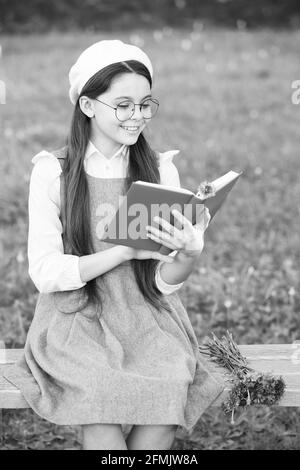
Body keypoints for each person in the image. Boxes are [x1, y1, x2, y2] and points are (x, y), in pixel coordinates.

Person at [4, 39, 225, 450]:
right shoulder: (53, 172)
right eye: (122, 104)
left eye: (145, 104)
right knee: (99, 395)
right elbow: (47, 272)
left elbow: (162, 282)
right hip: (76, 319)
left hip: (149, 317)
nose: (137, 116)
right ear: (88, 105)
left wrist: (189, 254)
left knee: (167, 389)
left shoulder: (160, 168)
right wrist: (123, 250)